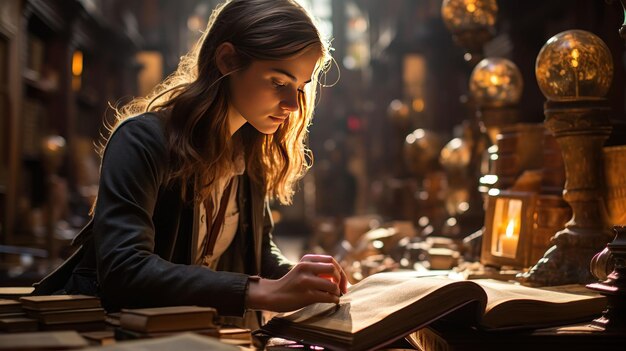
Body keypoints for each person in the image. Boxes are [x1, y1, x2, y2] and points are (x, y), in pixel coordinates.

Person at [33, 0, 348, 328]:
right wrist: (262, 291)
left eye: (300, 87)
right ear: (227, 60)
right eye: (279, 82)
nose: (293, 105)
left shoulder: (249, 147)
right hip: (119, 336)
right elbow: (124, 271)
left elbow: (257, 248)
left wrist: (298, 276)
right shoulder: (141, 140)